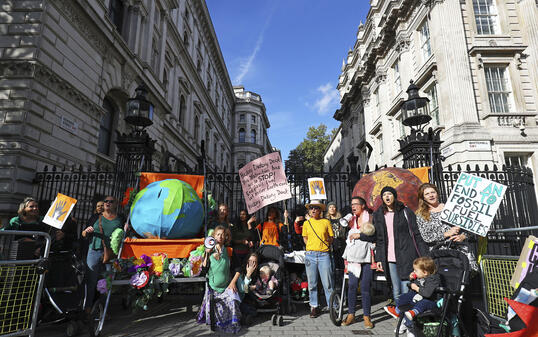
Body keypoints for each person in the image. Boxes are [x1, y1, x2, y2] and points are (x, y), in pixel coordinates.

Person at [373, 186, 428, 316]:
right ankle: (400, 315)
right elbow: (379, 239)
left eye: (390, 194)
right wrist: (379, 258)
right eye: (384, 195)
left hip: (406, 254)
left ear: (394, 196)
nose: (387, 197)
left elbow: (415, 233)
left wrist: (424, 254)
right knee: (396, 289)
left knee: (406, 286)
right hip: (389, 256)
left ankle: (408, 315)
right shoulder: (379, 214)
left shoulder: (405, 211)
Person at [415, 183, 479, 272]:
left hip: (461, 251)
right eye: (427, 194)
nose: (431, 195)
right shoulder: (421, 215)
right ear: (423, 198)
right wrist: (446, 234)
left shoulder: (452, 208)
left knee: (468, 279)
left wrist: (463, 236)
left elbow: (471, 228)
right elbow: (426, 237)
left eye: (433, 192)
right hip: (441, 254)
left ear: (437, 193)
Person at [197, 225, 242, 333]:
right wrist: (207, 254)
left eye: (223, 235)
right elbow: (204, 269)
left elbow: (239, 269)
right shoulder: (209, 251)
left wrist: (232, 283)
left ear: (226, 237)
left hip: (227, 286)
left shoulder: (229, 250)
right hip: (213, 288)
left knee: (232, 300)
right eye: (218, 234)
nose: (221, 237)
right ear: (213, 236)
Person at [81, 196, 122, 312]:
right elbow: (83, 234)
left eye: (111, 201)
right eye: (106, 201)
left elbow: (122, 235)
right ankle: (87, 307)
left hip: (111, 253)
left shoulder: (120, 219)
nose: (108, 203)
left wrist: (125, 229)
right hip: (94, 250)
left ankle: (103, 309)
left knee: (107, 282)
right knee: (91, 280)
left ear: (116, 204)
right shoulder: (95, 217)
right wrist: (86, 231)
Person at [341, 196, 376, 328]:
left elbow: (374, 236)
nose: (353, 206)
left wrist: (359, 235)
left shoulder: (371, 218)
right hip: (353, 258)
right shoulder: (351, 220)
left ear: (363, 206)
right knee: (352, 286)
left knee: (366, 287)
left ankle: (367, 316)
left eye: (356, 204)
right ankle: (351, 315)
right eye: (352, 204)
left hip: (366, 257)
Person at [384, 257, 440, 330]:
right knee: (404, 296)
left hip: (431, 301)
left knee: (423, 302)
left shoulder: (433, 279)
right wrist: (412, 279)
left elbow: (427, 293)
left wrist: (416, 288)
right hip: (419, 297)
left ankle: (413, 313)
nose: (414, 272)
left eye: (416, 270)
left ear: (425, 272)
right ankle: (397, 311)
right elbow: (414, 286)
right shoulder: (421, 277)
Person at [302, 199, 334, 318]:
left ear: (320, 210)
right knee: (312, 283)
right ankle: (314, 306)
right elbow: (305, 238)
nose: (313, 210)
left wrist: (324, 244)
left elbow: (331, 237)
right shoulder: (306, 223)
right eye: (311, 208)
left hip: (323, 255)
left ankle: (333, 306)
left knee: (327, 283)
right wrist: (311, 246)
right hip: (310, 255)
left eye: (316, 207)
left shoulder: (326, 222)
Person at [236, 252, 259, 326]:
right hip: (236, 300)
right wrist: (248, 274)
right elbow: (243, 289)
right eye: (250, 261)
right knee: (252, 311)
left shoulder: (256, 273)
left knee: (254, 310)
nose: (252, 264)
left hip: (243, 299)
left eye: (254, 262)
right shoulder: (240, 272)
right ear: (247, 262)